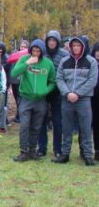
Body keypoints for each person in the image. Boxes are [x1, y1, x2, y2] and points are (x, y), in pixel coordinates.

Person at [53, 36, 97, 165]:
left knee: (86, 128)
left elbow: (92, 80)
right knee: (66, 128)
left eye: (78, 45)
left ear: (83, 47)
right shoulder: (64, 61)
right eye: (74, 45)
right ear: (70, 47)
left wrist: (78, 93)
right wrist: (67, 93)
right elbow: (59, 79)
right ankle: (65, 154)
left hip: (83, 100)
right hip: (67, 99)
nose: (76, 48)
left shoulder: (91, 61)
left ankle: (88, 155)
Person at [11, 40, 55, 162]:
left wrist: (46, 90)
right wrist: (27, 63)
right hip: (26, 98)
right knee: (24, 125)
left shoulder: (48, 63)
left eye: (38, 51)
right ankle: (23, 151)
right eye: (33, 50)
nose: (35, 53)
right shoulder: (24, 59)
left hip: (40, 100)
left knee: (36, 126)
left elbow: (53, 81)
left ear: (42, 51)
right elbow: (14, 73)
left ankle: (32, 150)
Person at [38, 30, 68, 158]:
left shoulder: (64, 55)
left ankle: (57, 148)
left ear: (57, 42)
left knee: (57, 121)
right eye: (49, 40)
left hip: (58, 92)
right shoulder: (42, 53)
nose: (51, 43)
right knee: (42, 120)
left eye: (54, 40)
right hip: (43, 91)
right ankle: (42, 147)